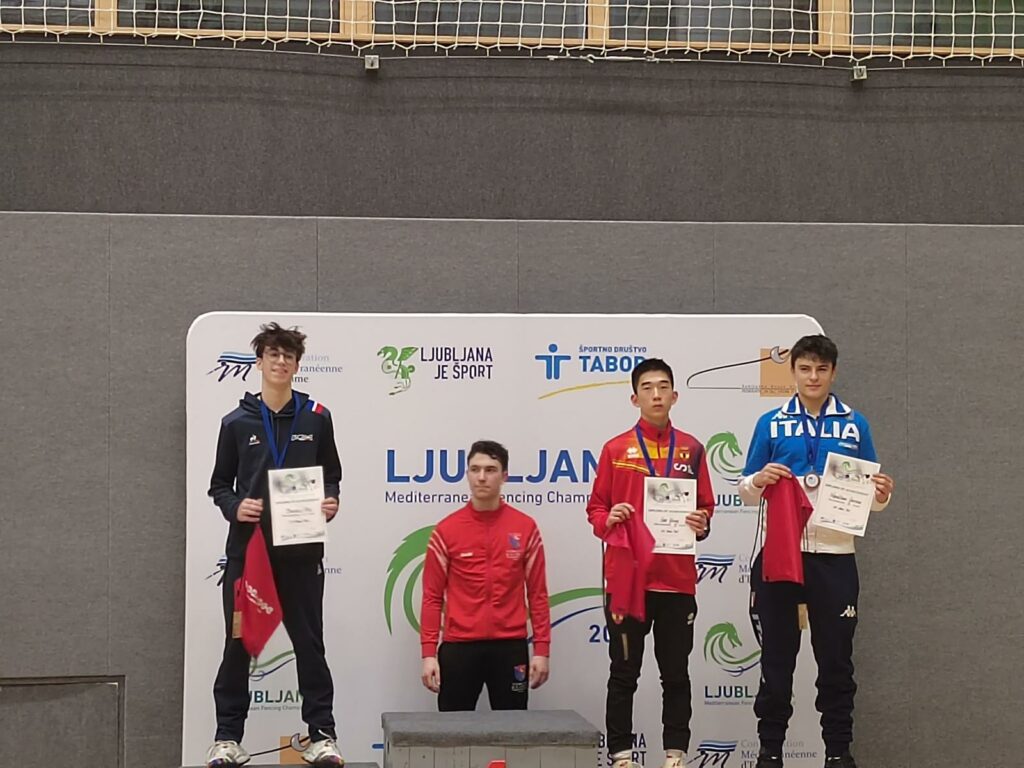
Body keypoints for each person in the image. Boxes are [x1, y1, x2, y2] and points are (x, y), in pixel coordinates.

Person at [738, 334, 895, 768]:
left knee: (836, 663)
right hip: (780, 554)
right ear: (793, 372)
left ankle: (838, 753)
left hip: (835, 557)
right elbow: (745, 489)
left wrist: (882, 495)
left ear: (833, 373)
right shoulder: (770, 423)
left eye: (821, 369)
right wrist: (758, 480)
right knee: (776, 662)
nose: (813, 377)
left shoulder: (855, 424)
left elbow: (872, 496)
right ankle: (770, 752)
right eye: (805, 369)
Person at [207, 322, 344, 767]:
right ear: (260, 362)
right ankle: (227, 739)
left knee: (310, 644)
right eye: (273, 355)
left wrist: (330, 502)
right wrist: (236, 506)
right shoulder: (236, 422)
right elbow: (219, 486)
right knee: (238, 645)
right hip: (249, 556)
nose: (281, 362)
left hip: (302, 554)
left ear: (297, 365)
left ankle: (322, 735)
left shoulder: (317, 417)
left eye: (288, 356)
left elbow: (332, 477)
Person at [586, 358, 715, 768]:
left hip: (676, 582)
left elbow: (706, 507)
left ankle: (675, 754)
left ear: (675, 396)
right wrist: (609, 518)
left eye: (662, 387)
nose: (656, 395)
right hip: (628, 583)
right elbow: (596, 509)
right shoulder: (615, 449)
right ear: (634, 398)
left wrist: (702, 522)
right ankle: (621, 755)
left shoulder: (693, 449)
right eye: (647, 388)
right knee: (624, 673)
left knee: (676, 674)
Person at [419, 440, 551, 710]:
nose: (481, 477)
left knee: (513, 729)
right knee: (454, 731)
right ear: (467, 474)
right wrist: (428, 654)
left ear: (504, 476)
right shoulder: (446, 530)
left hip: (510, 648)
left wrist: (542, 650)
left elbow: (538, 594)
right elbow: (432, 597)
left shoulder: (525, 527)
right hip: (459, 649)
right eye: (475, 469)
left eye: (490, 470)